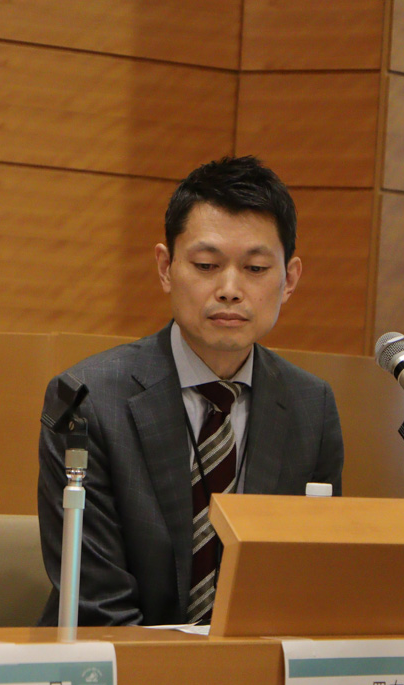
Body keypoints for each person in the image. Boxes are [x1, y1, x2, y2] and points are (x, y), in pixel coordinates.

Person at [37, 155, 344, 627]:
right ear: (166, 268)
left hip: (256, 665)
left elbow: (312, 583)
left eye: (256, 268)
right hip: (116, 662)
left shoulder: (311, 407)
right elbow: (95, 603)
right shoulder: (87, 400)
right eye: (206, 265)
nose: (229, 289)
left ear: (290, 279)